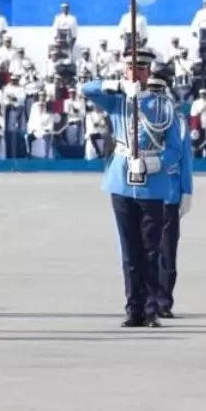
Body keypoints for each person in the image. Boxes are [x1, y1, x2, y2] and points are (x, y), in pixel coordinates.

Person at [81, 48, 185, 328]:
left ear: (148, 72)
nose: (134, 73)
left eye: (140, 69)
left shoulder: (164, 107)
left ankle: (151, 310)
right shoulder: (118, 101)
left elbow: (176, 148)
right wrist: (115, 86)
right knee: (129, 252)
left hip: (152, 184)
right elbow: (85, 89)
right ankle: (133, 309)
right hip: (121, 182)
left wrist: (155, 163)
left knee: (151, 250)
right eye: (129, 69)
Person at [149, 65, 193, 319]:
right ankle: (148, 300)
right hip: (145, 193)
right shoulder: (138, 115)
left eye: (161, 89)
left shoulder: (178, 120)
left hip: (169, 194)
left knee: (166, 252)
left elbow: (185, 157)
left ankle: (163, 301)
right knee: (146, 251)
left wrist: (187, 191)